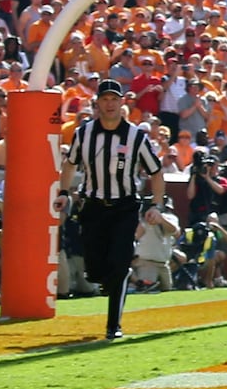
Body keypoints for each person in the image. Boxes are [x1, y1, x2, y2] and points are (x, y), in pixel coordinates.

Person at [53, 78, 165, 340]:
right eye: (105, 99)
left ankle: (113, 324)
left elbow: (156, 172)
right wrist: (63, 193)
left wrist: (156, 204)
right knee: (94, 269)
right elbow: (70, 164)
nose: (110, 104)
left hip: (124, 207)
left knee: (119, 262)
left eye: (115, 99)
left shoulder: (136, 135)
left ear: (122, 102)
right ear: (98, 103)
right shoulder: (84, 133)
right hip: (93, 207)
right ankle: (113, 277)